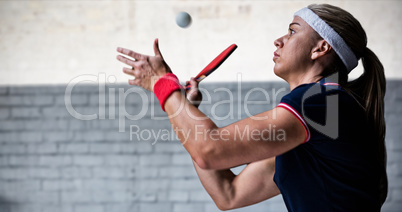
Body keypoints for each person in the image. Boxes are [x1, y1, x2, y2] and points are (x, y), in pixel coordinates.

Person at [116, 4, 387, 211]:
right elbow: (228, 194)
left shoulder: (320, 102)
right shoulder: (310, 123)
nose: (279, 40)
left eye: (292, 31)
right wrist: (182, 108)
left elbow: (210, 149)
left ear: (320, 48)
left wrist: (163, 85)